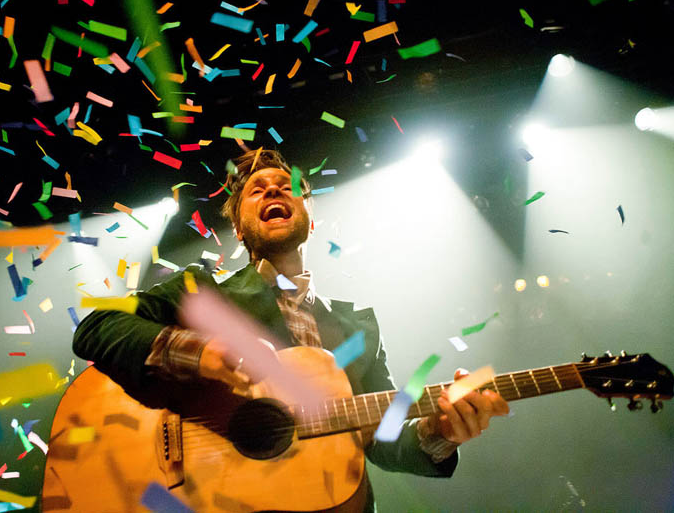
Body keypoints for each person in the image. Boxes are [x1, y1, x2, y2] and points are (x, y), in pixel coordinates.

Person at [72, 149, 509, 511]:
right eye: (256, 191)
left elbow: (385, 439)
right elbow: (96, 327)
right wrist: (198, 352)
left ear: (309, 221)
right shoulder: (199, 290)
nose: (274, 192)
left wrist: (439, 435)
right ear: (241, 229)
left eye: (287, 188)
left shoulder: (359, 327)